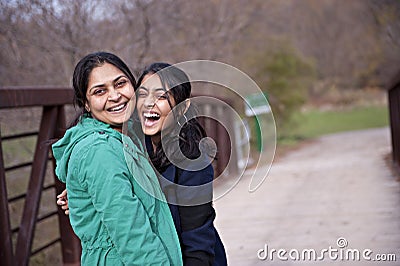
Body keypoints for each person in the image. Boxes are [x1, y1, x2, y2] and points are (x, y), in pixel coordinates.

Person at [52, 52, 182, 265]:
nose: (114, 96)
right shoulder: (99, 152)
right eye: (100, 91)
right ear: (86, 104)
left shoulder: (125, 137)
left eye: (120, 83)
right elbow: (133, 237)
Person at [135, 62, 227, 266]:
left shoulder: (193, 162)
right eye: (142, 94)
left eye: (161, 96)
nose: (149, 103)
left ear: (182, 107)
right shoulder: (133, 146)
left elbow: (197, 242)